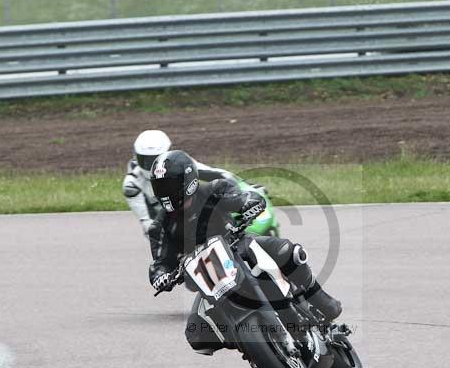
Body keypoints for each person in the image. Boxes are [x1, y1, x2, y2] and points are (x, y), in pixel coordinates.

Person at [147, 150, 342, 354]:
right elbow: (160, 262)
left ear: (188, 180)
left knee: (289, 252)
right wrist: (161, 276)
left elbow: (239, 198)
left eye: (169, 184)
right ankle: (250, 346)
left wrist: (249, 202)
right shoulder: (159, 227)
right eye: (159, 186)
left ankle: (320, 299)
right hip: (206, 276)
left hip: (238, 246)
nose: (165, 191)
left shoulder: (214, 191)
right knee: (197, 336)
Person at [122, 129, 239, 236]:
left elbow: (217, 174)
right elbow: (146, 222)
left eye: (156, 159)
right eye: (145, 160)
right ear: (136, 157)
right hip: (170, 228)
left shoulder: (177, 164)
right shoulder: (131, 185)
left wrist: (245, 187)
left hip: (193, 213)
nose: (153, 166)